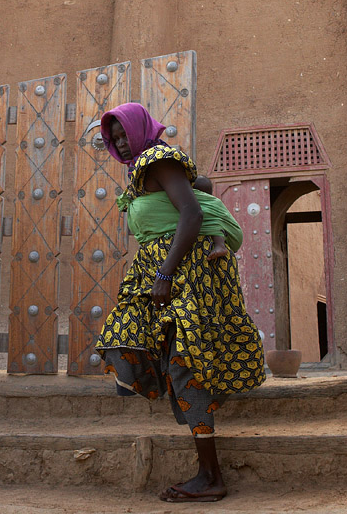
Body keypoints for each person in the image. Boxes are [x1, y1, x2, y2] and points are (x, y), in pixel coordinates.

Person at [94, 103, 265, 503]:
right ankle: (202, 451)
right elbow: (193, 197)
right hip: (167, 270)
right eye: (113, 136)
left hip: (187, 271)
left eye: (124, 133)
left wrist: (167, 273)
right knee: (139, 340)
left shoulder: (159, 159)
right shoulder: (144, 168)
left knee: (185, 364)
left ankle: (210, 476)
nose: (120, 141)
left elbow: (190, 214)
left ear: (141, 129)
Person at [193, 175, 243, 260]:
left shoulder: (211, 203)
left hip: (212, 246)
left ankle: (220, 245)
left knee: (215, 223)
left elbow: (218, 219)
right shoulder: (214, 202)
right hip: (223, 256)